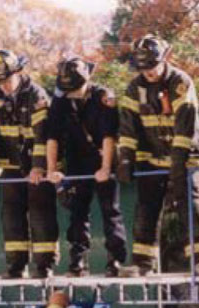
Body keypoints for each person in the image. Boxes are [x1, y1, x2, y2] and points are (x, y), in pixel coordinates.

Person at [117, 34, 199, 276]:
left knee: (190, 208)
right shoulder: (133, 88)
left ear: (163, 60)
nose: (147, 73)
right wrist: (126, 158)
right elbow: (128, 128)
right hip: (152, 159)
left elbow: (185, 127)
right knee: (146, 211)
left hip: (186, 158)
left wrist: (178, 164)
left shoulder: (181, 83)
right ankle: (143, 264)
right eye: (143, 68)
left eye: (151, 66)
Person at [46, 56, 131, 277]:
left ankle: (115, 261)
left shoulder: (103, 97)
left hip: (103, 155)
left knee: (110, 210)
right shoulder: (61, 99)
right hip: (76, 160)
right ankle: (77, 262)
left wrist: (105, 168)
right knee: (77, 213)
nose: (69, 92)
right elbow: (52, 137)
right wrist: (51, 169)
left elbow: (108, 135)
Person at [0, 49, 58, 278]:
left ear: (17, 73)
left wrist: (38, 167)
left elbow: (42, 136)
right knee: (11, 218)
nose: (2, 86)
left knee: (41, 215)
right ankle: (16, 266)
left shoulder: (36, 95)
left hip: (37, 168)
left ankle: (44, 266)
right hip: (11, 168)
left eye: (6, 80)